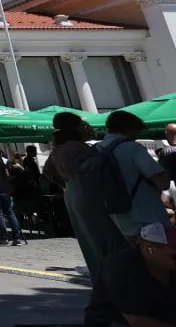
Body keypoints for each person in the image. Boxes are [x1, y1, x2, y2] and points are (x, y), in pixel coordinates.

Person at [46, 111, 126, 282]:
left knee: (86, 237)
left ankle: (100, 276)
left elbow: (48, 172)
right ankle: (114, 276)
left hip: (72, 192)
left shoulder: (57, 148)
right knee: (103, 234)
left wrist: (65, 183)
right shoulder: (79, 148)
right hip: (88, 190)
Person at [83, 223, 176, 327]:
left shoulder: (168, 268)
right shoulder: (121, 266)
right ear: (149, 248)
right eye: (174, 256)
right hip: (114, 326)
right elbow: (137, 320)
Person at [99, 110, 172, 245]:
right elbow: (163, 183)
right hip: (147, 217)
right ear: (130, 129)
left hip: (115, 216)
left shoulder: (97, 150)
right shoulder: (133, 148)